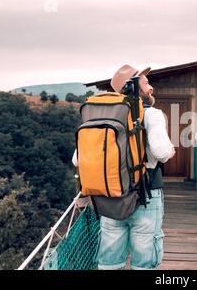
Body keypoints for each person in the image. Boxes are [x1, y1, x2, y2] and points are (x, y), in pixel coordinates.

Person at [72, 64, 175, 270]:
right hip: (145, 196)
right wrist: (171, 149)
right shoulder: (151, 114)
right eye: (146, 82)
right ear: (135, 86)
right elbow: (163, 152)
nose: (151, 87)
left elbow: (77, 160)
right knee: (144, 263)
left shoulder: (102, 117)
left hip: (109, 195)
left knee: (110, 261)